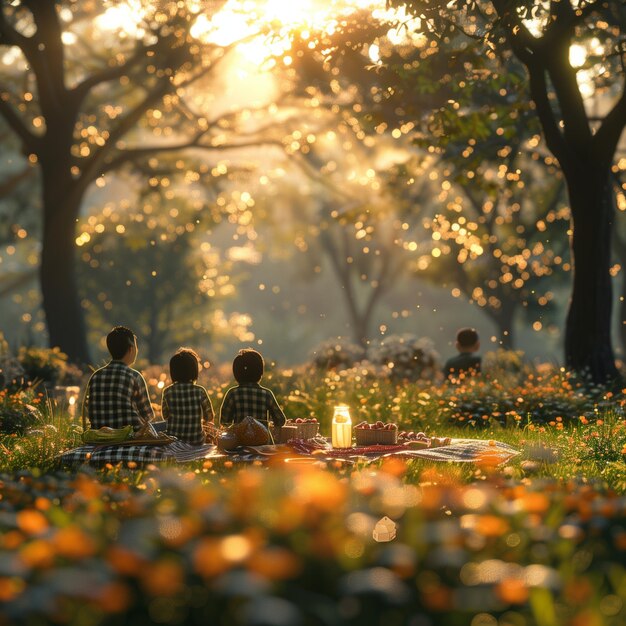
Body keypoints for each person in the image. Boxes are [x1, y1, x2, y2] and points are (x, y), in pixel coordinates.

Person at [83, 326, 154, 431]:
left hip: (100, 436)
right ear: (131, 349)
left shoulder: (95, 376)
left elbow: (89, 411)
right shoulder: (135, 376)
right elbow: (148, 416)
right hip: (131, 437)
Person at [219, 348, 286, 428]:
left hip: (239, 440)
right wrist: (268, 424)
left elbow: (224, 421)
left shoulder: (233, 393)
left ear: (237, 372)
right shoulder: (266, 394)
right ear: (260, 372)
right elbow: (280, 421)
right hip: (263, 440)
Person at [161, 348, 215, 445]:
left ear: (173, 372)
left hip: (173, 441)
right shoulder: (200, 391)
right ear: (194, 370)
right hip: (196, 441)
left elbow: (165, 416)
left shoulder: (167, 392)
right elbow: (209, 417)